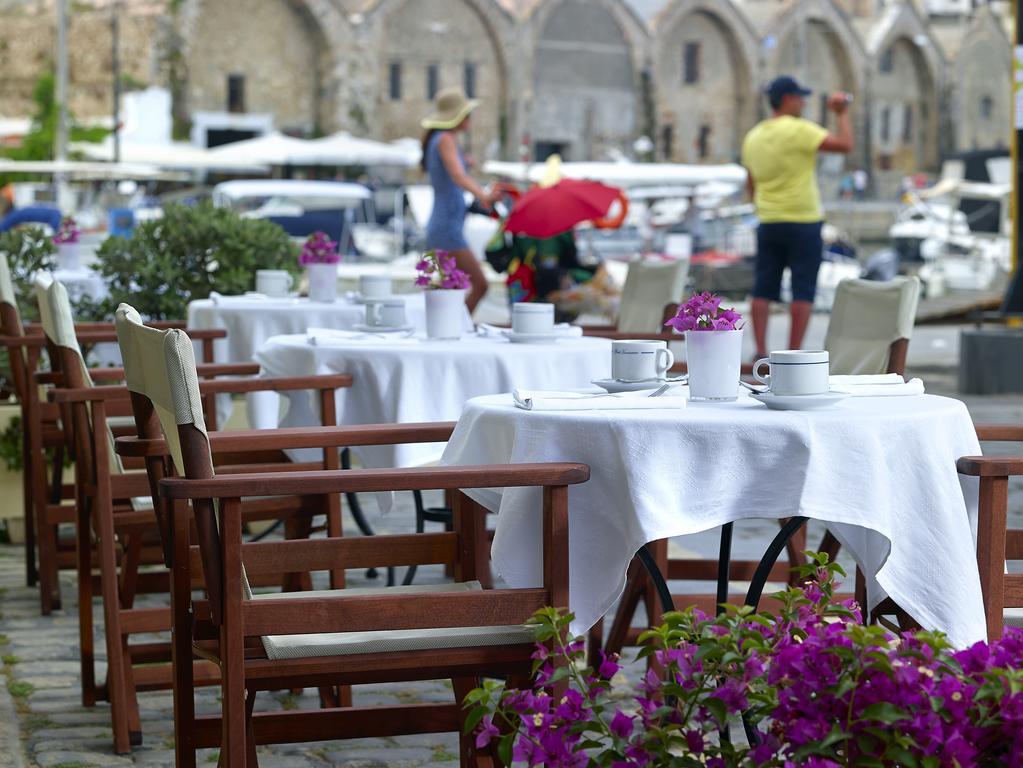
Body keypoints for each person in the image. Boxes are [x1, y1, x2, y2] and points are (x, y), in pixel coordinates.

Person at [741, 75, 854, 358]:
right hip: (803, 219)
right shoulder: (799, 130)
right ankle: (793, 353)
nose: (804, 102)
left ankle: (760, 351)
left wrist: (765, 206)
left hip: (768, 221)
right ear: (788, 99)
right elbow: (844, 145)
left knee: (762, 288)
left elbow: (751, 184)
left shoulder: (753, 137)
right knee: (803, 288)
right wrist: (841, 114)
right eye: (800, 97)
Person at [421, 86, 496, 312]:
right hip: (447, 229)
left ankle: (450, 329)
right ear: (459, 116)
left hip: (445, 225)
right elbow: (457, 175)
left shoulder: (443, 139)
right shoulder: (445, 139)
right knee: (480, 285)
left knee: (447, 293)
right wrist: (484, 195)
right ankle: (457, 327)